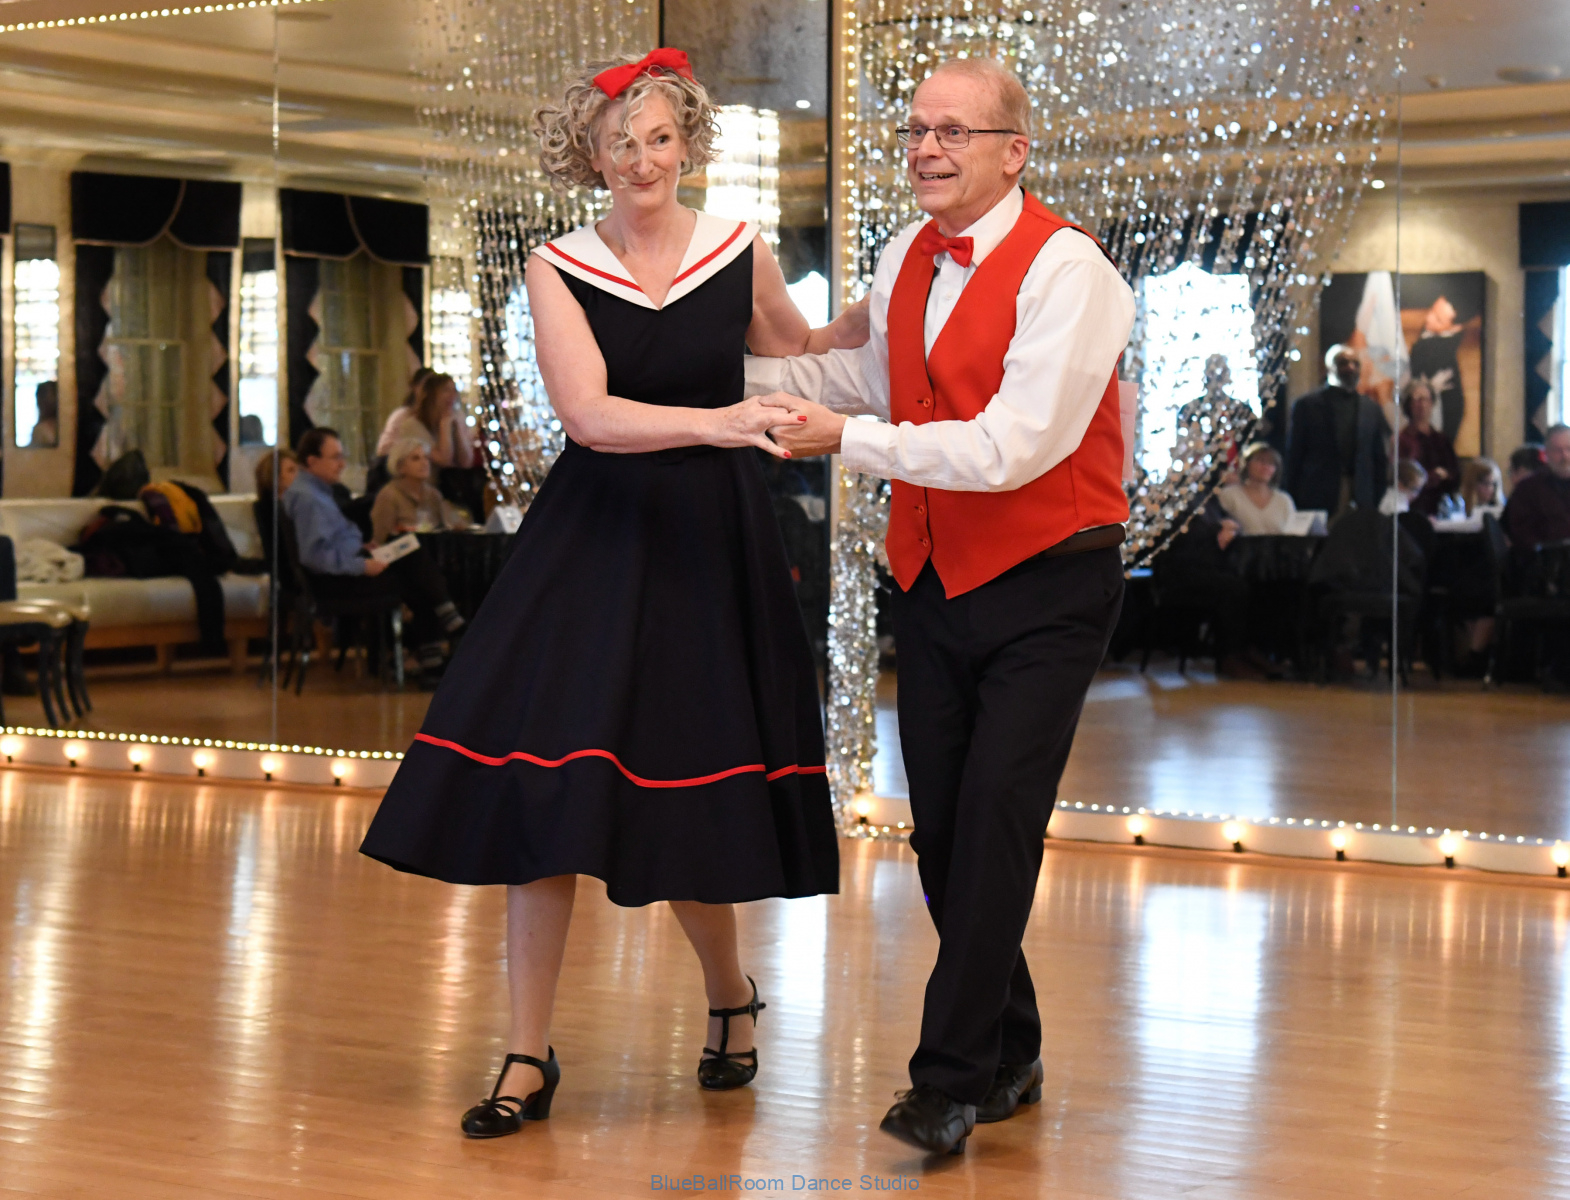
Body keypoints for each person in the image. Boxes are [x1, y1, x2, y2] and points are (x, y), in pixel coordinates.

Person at [358, 49, 859, 1139]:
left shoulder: (739, 247)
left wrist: (896, 309)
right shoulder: (557, 264)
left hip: (709, 544)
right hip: (597, 537)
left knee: (688, 795)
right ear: (589, 156)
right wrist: (721, 422)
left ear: (688, 145)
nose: (641, 160)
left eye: (659, 138)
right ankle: (525, 1053)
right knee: (545, 795)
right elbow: (588, 416)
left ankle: (729, 995)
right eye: (619, 142)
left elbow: (796, 349)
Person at [750, 57, 1133, 1154]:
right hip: (931, 577)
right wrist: (717, 378)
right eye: (917, 129)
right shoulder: (905, 253)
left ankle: (948, 1082)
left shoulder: (1072, 270)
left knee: (997, 819)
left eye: (953, 131)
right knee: (945, 837)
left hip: (1050, 577)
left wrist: (847, 443)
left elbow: (1013, 447)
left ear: (1014, 152)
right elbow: (864, 380)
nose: (926, 147)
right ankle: (1012, 1048)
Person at [282, 427, 466, 679]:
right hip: (334, 582)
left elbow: (330, 543)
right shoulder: (308, 499)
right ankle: (448, 624)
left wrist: (362, 550)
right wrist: (362, 565)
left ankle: (436, 651)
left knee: (410, 553)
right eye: (335, 457)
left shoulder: (314, 492)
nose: (342, 464)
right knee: (414, 571)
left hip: (344, 567)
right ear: (312, 461)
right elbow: (314, 556)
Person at [1283, 344, 1390, 518]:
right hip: (1318, 493)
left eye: (1355, 363)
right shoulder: (1307, 406)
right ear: (1329, 367)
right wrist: (1291, 495)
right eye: (1343, 363)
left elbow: (1378, 457)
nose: (1350, 368)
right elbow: (1294, 454)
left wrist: (1375, 496)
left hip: (1361, 495)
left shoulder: (1371, 409)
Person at [371, 440, 472, 544]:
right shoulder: (389, 495)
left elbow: (449, 524)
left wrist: (457, 521)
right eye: (416, 458)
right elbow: (381, 539)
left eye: (426, 458)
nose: (424, 463)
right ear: (400, 467)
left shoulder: (433, 494)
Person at [1396, 379, 1459, 518]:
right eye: (1418, 400)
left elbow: (1455, 474)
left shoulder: (1441, 439)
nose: (1423, 404)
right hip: (1413, 508)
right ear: (1409, 404)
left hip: (1442, 508)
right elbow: (1403, 477)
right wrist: (1434, 476)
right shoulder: (1402, 439)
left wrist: (1446, 476)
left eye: (1427, 399)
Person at [1504, 425, 1570, 547]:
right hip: (1547, 555)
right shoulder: (1528, 489)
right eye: (1557, 450)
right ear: (1546, 453)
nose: (1565, 456)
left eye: (1568, 449)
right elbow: (1519, 534)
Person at [1217, 443, 1296, 535]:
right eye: (1260, 461)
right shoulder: (1230, 494)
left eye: (1271, 463)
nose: (1265, 467)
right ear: (1247, 464)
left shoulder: (1284, 500)